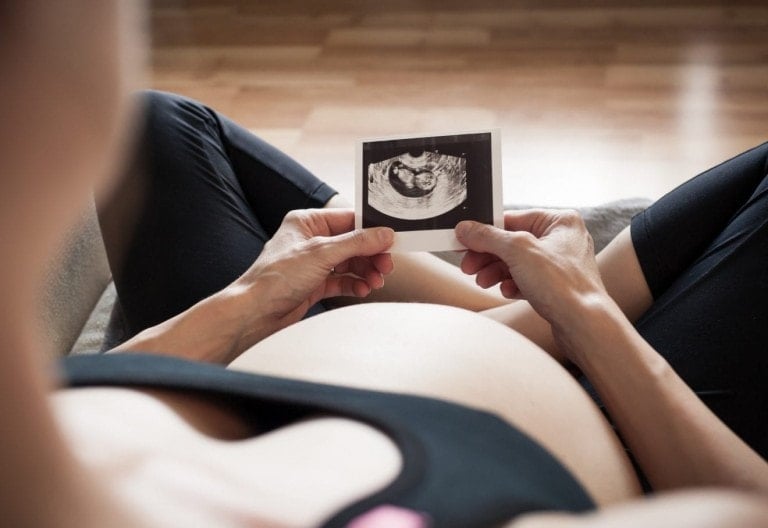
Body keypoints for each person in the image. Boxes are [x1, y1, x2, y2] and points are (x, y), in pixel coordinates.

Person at [1, 2, 766, 527]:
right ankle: (540, 322)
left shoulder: (50, 422)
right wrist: (585, 316)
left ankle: (519, 318)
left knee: (161, 124)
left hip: (259, 341)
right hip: (622, 408)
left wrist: (247, 302)